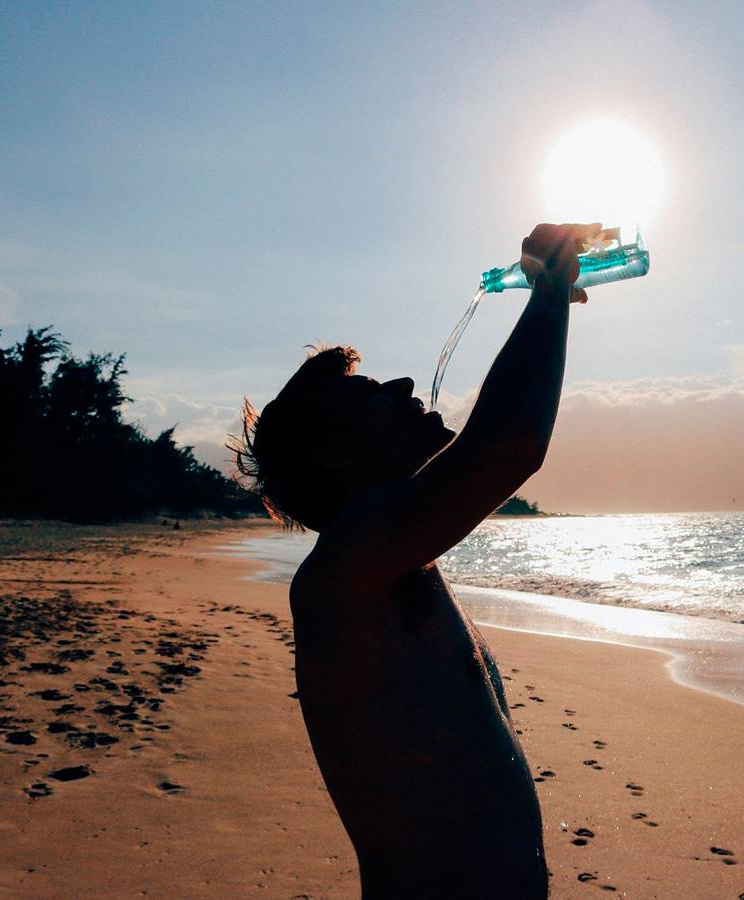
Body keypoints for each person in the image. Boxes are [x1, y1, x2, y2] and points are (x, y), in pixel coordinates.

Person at [236, 222, 601, 899]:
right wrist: (547, 291)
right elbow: (508, 446)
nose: (404, 382)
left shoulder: (397, 565)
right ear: (336, 453)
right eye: (370, 392)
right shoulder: (345, 571)